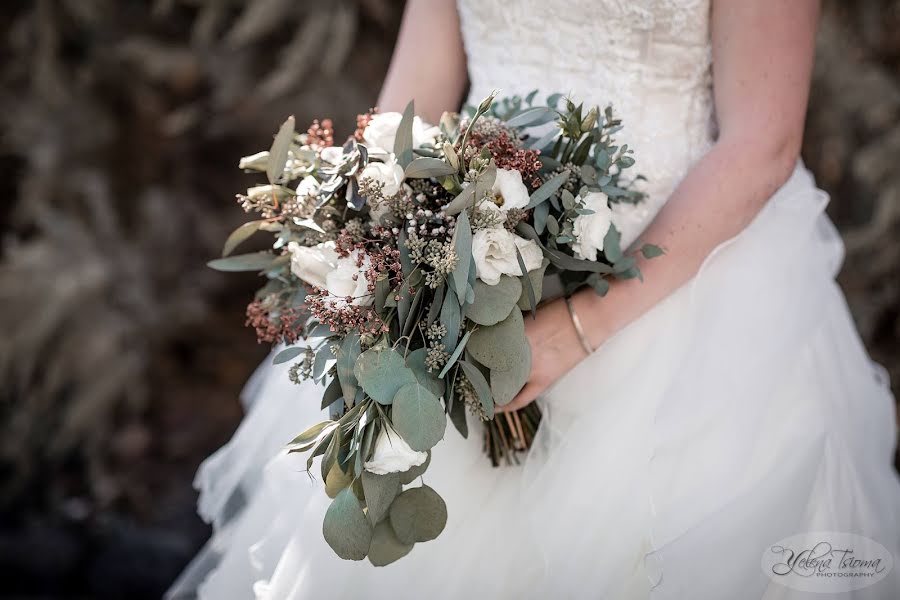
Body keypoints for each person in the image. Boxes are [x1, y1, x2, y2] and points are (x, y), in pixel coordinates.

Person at [169, 1, 900, 598]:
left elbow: (763, 142)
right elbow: (412, 100)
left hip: (687, 300)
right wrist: (373, 240)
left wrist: (577, 329)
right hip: (465, 262)